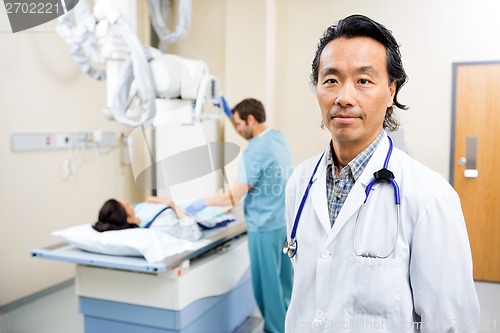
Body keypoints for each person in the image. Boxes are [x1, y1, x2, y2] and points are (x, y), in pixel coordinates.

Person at [284, 14, 480, 332]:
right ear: (317, 88)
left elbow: (451, 323)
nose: (343, 97)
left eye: (363, 80)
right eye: (330, 80)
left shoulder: (429, 196)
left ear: (391, 91)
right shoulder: (300, 183)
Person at [186, 98, 293, 333]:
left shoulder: (255, 150)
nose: (237, 129)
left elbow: (233, 197)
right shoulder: (277, 138)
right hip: (284, 224)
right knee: (285, 282)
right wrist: (231, 114)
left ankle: (275, 330)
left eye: (238, 124)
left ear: (251, 120)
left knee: (267, 287)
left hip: (264, 227)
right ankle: (288, 326)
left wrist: (203, 202)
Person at [93, 196, 202, 241]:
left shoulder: (135, 210)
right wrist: (171, 204)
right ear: (128, 219)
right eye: (126, 205)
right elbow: (194, 232)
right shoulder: (161, 225)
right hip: (198, 215)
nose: (127, 201)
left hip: (185, 205)